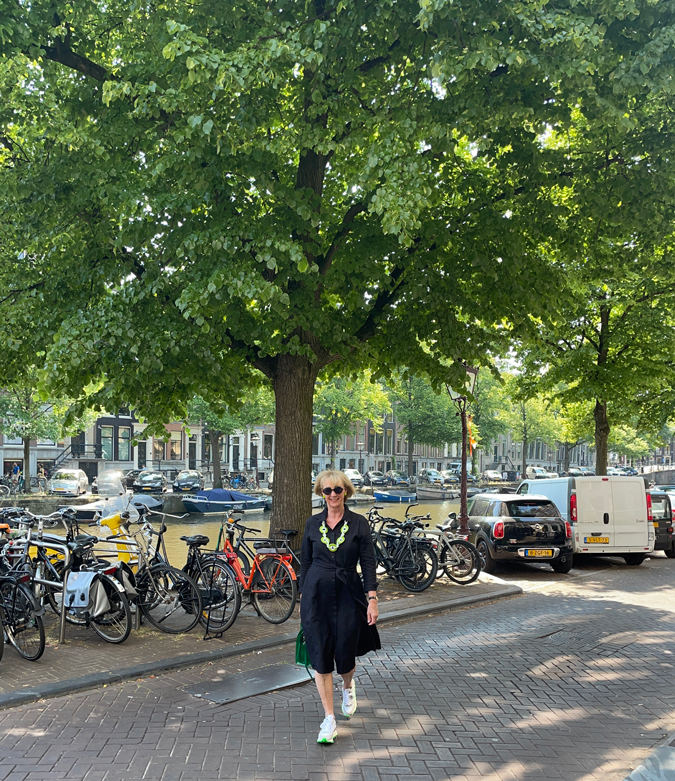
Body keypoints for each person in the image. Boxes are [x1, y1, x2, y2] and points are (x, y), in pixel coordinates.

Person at [299, 469, 380, 745]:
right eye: (327, 490)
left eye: (337, 490)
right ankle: (329, 719)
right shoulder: (312, 524)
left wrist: (372, 599)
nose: (332, 495)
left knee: (345, 650)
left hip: (348, 593)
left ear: (346, 491)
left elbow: (368, 564)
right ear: (320, 493)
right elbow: (305, 564)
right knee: (320, 655)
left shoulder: (358, 524)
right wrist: (303, 596)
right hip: (316, 597)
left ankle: (348, 685)